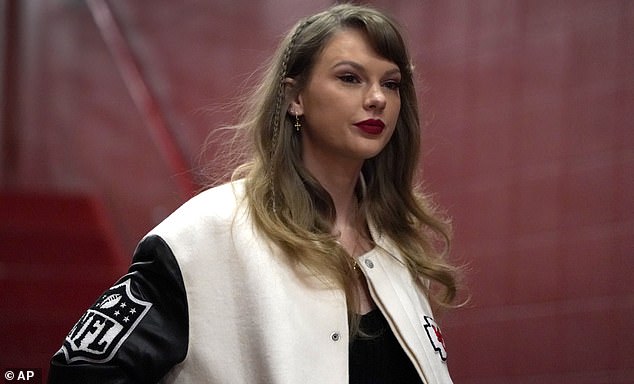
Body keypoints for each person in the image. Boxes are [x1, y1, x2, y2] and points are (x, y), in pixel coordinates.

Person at [48, 3, 461, 383]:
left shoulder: (397, 249)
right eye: (349, 78)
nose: (376, 99)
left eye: (391, 84)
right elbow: (80, 371)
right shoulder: (210, 232)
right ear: (294, 97)